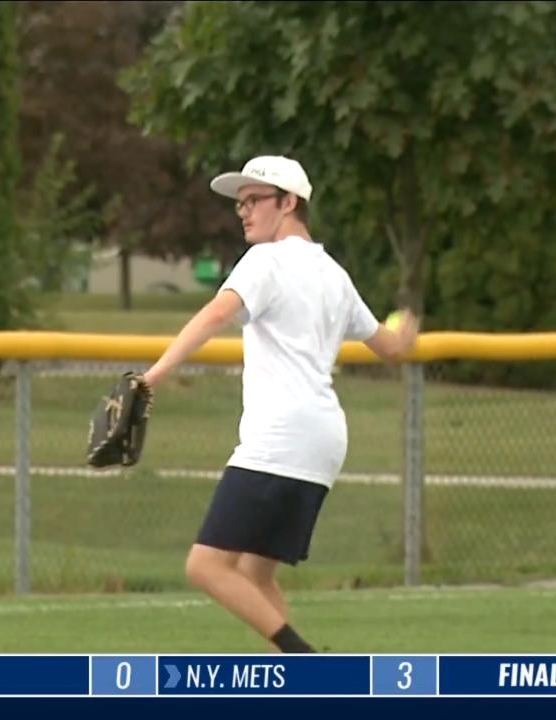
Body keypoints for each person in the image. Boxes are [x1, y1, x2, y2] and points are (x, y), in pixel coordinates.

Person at [140, 155, 420, 653]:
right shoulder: (335, 274)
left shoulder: (266, 261)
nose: (243, 212)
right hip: (323, 443)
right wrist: (409, 319)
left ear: (289, 203)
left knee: (205, 566)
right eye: (240, 204)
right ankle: (307, 689)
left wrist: (153, 376)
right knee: (253, 574)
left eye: (255, 200)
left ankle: (307, 663)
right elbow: (392, 348)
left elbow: (214, 315)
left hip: (282, 436)